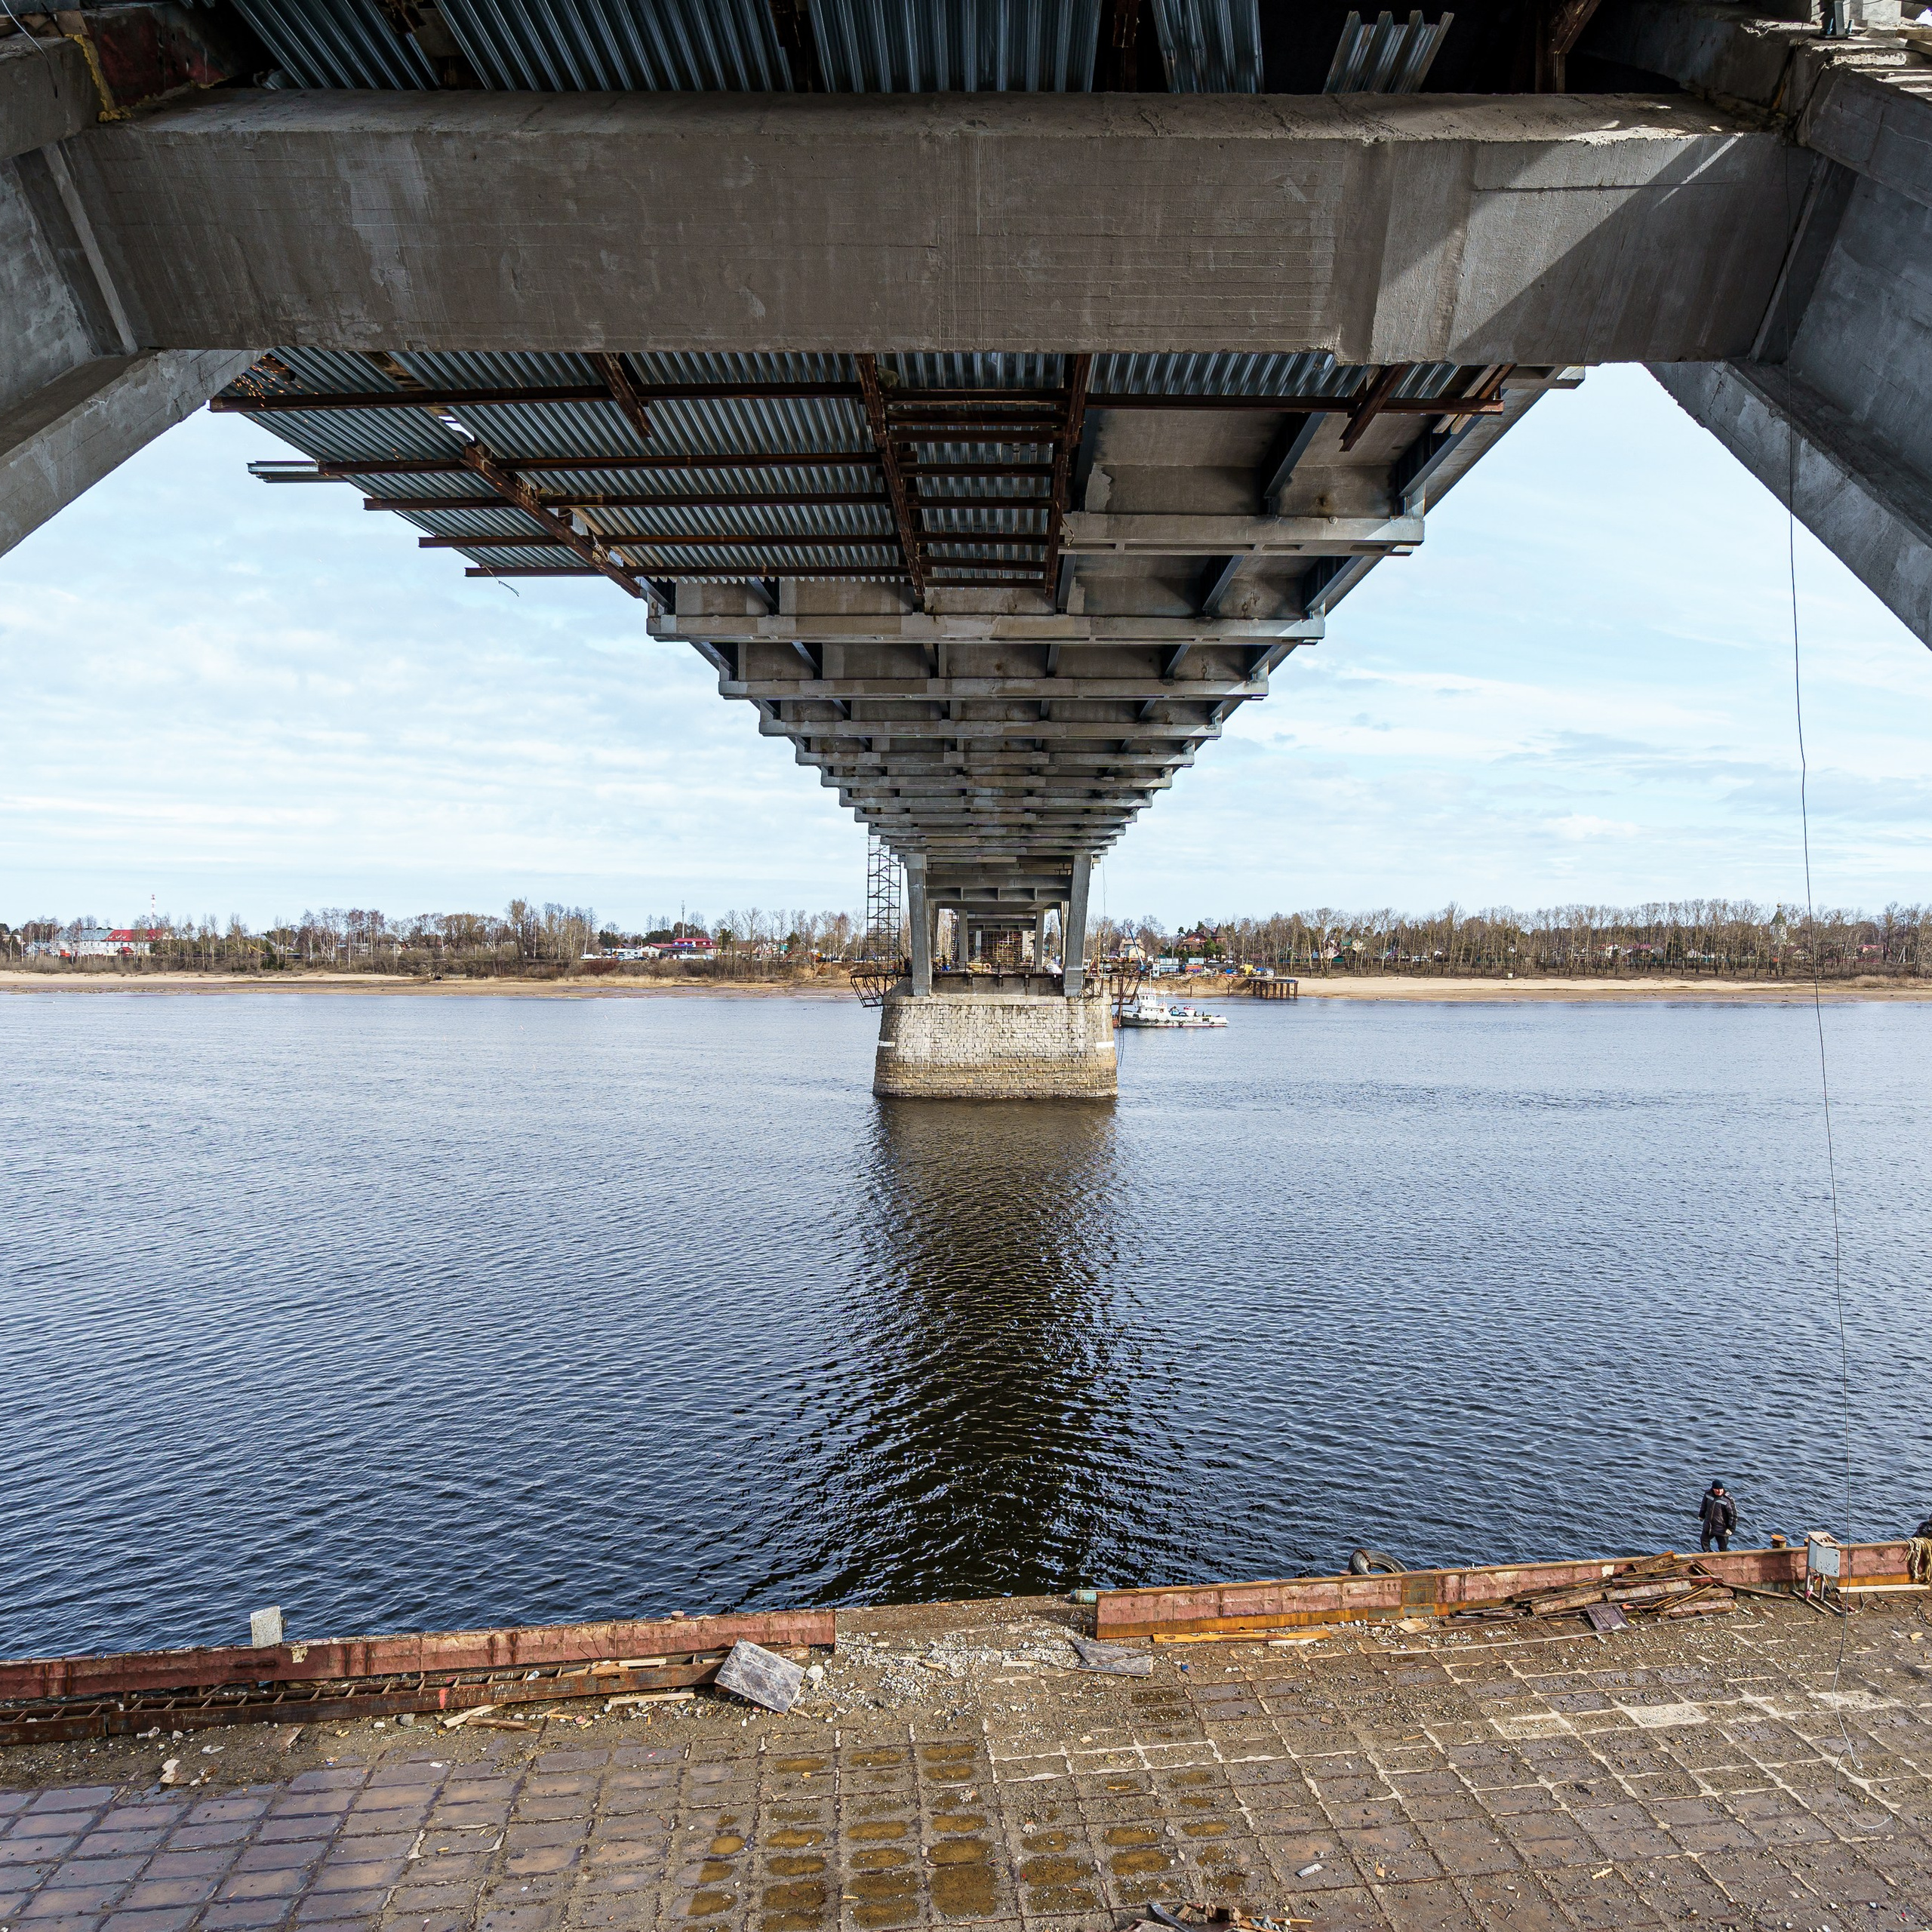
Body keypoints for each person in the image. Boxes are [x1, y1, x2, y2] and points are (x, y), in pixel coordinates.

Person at [1700, 1481, 1737, 1553]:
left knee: (1723, 1548)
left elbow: (1733, 1515)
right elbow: (1703, 1505)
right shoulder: (1708, 1494)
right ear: (1713, 1489)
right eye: (1717, 1489)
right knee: (1704, 1540)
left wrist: (1731, 1528)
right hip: (1709, 1526)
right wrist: (1701, 1515)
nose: (1719, 1491)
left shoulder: (1727, 1500)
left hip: (1722, 1528)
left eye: (1721, 1489)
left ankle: (1724, 1559)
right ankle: (1709, 1554)